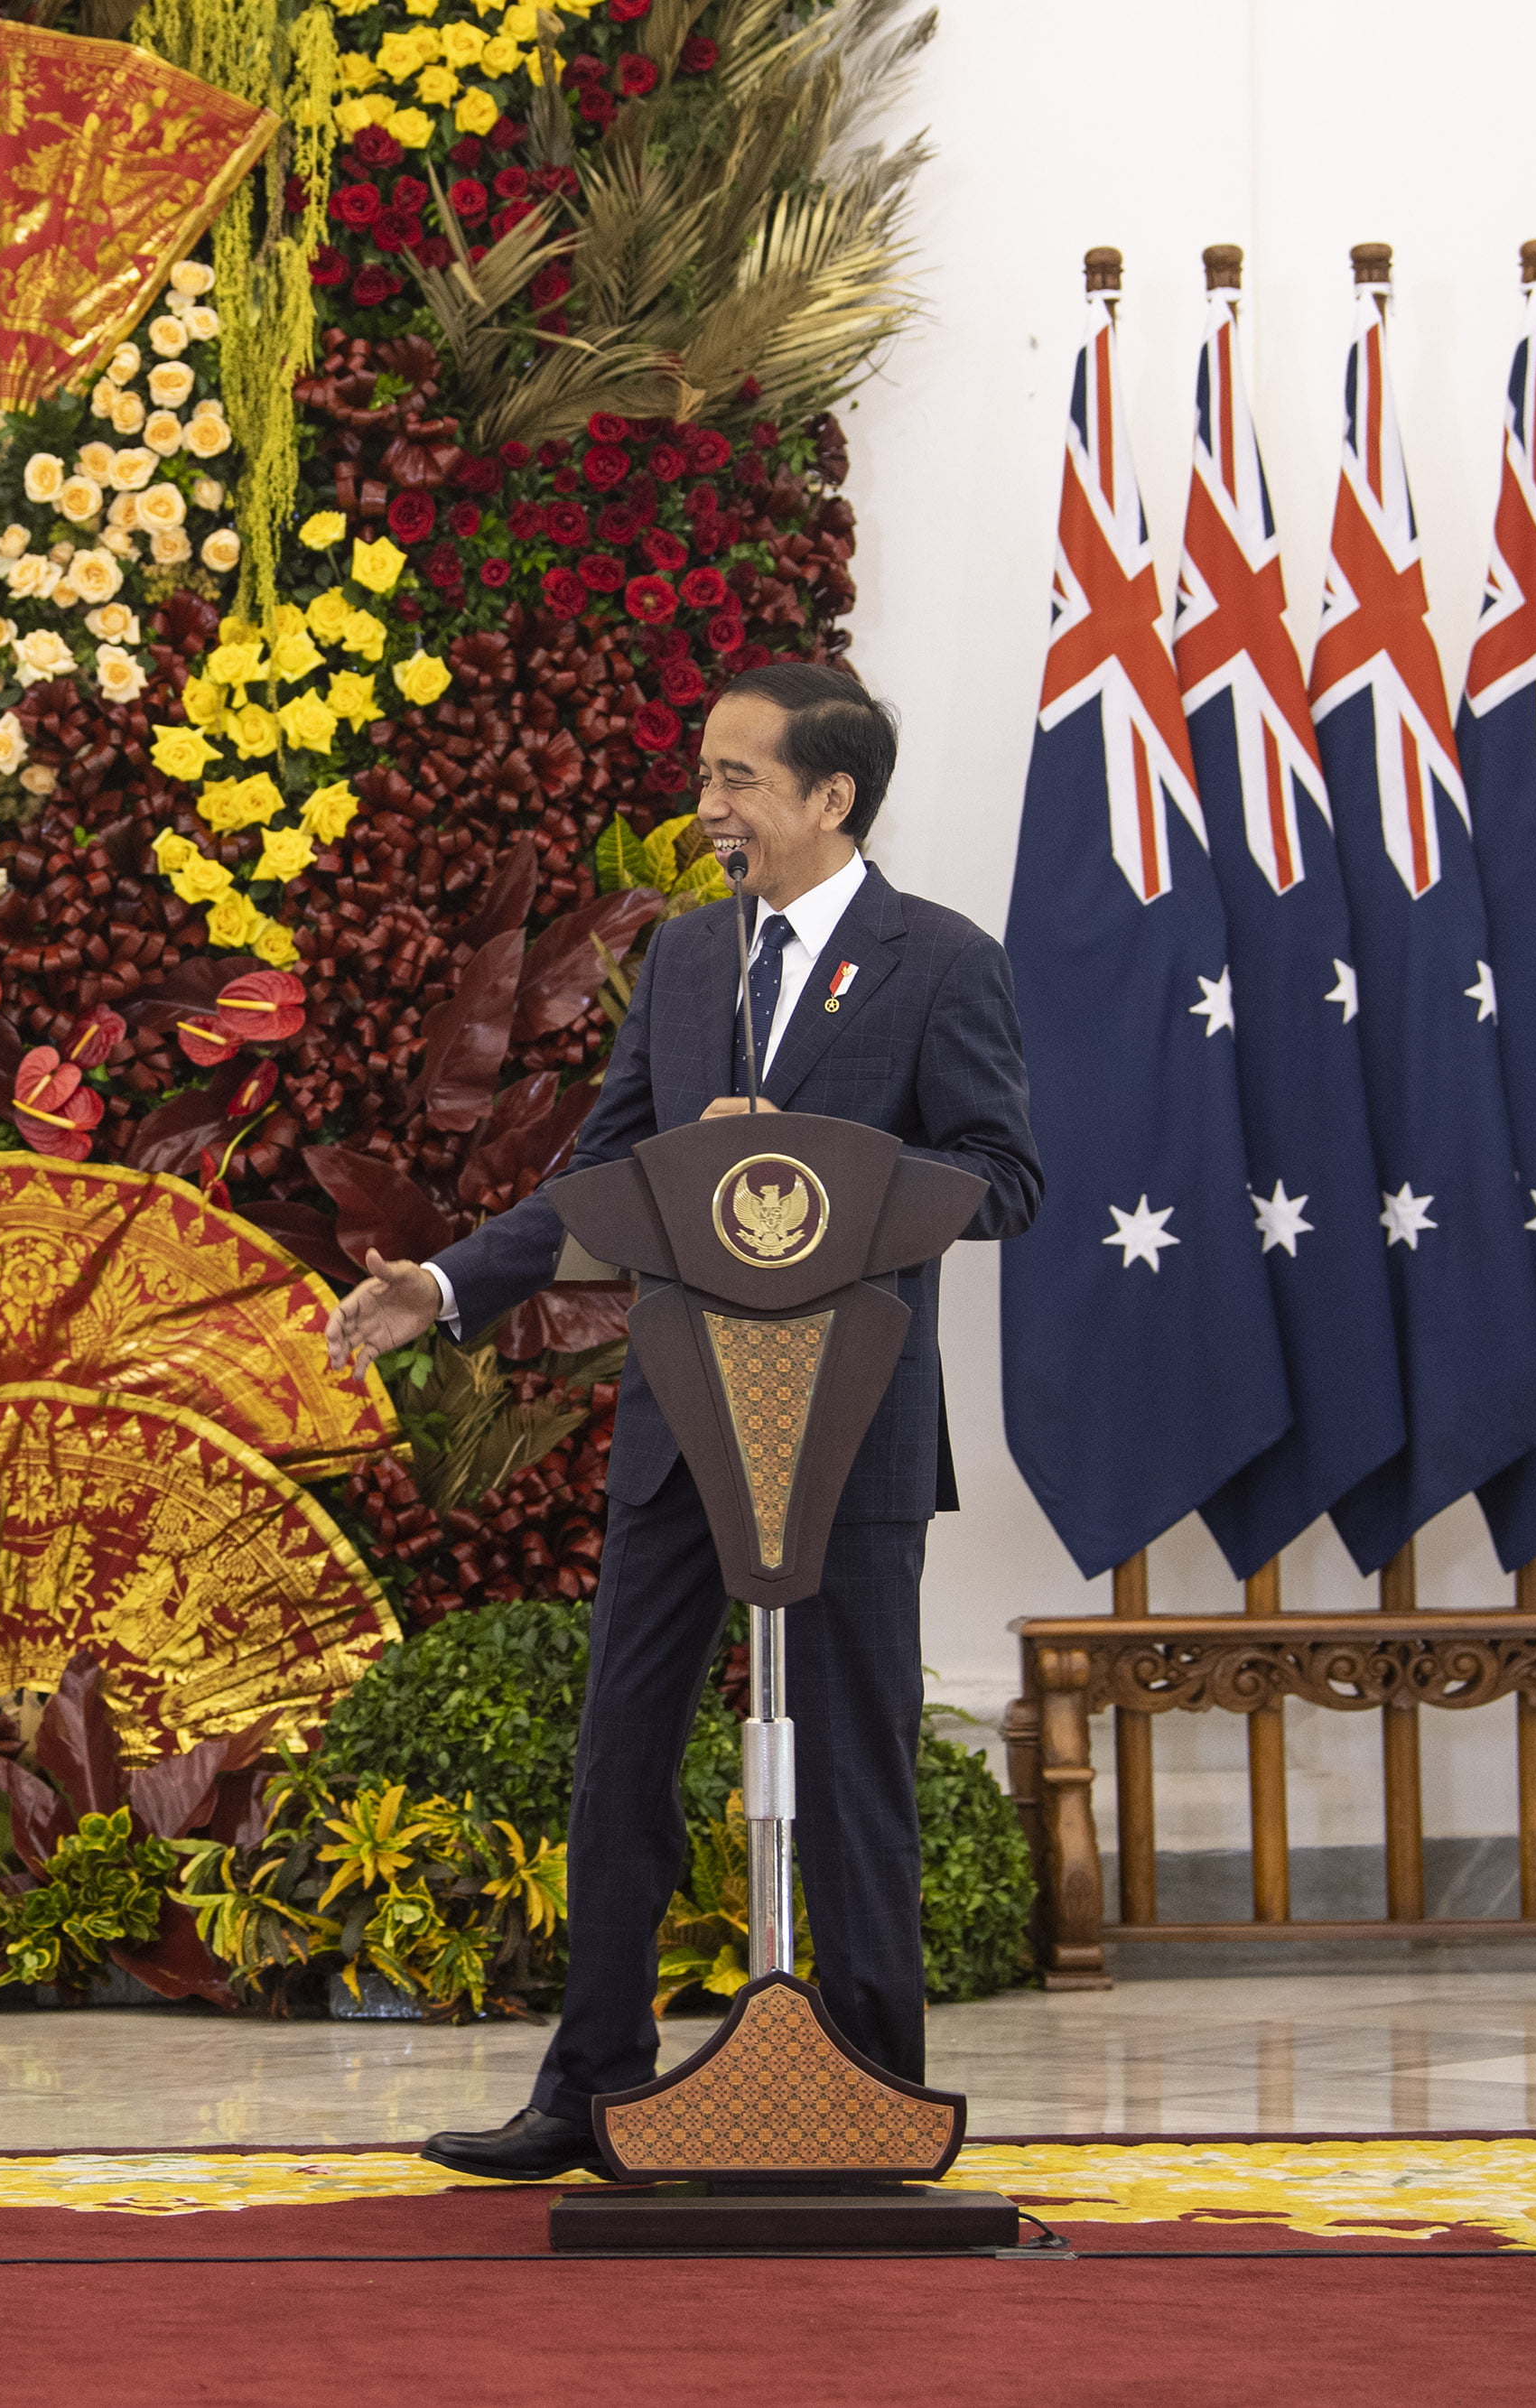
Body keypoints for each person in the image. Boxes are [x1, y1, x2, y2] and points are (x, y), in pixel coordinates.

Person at [323, 661, 1042, 2179]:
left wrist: (809, 1160)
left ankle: (869, 2086)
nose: (707, 809)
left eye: (737, 781)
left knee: (857, 1757)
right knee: (621, 1752)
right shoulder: (691, 962)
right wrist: (446, 1288)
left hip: (849, 1424)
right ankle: (587, 2090)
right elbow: (609, 1176)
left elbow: (1004, 1178)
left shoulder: (941, 964)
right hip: (683, 1420)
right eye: (706, 777)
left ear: (830, 797)